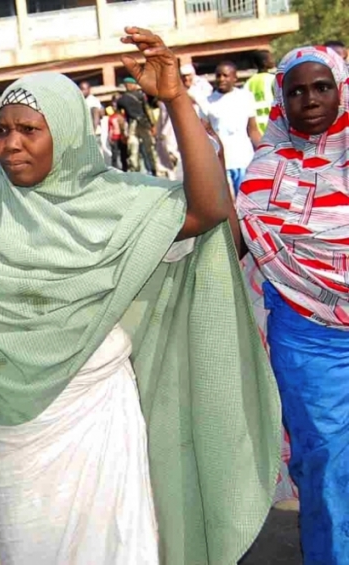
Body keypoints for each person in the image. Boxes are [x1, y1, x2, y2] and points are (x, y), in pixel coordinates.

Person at [0, 28, 281, 565]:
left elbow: (208, 212)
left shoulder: (116, 199)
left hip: (96, 421)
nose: (11, 144)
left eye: (28, 130)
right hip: (14, 436)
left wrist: (177, 99)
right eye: (2, 131)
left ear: (65, 134)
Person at [237, 45, 349, 565]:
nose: (310, 99)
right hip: (308, 338)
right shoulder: (266, 168)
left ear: (341, 88)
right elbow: (233, 241)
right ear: (282, 99)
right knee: (326, 464)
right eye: (297, 90)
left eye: (321, 87)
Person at [206, 61, 262, 195]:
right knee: (228, 204)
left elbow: (252, 130)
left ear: (234, 78)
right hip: (221, 163)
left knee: (247, 201)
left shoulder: (245, 97)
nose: (221, 79)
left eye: (225, 75)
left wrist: (264, 153)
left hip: (244, 159)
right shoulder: (207, 102)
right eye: (218, 75)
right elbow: (205, 134)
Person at [118, 77, 157, 175]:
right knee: (149, 148)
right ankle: (153, 169)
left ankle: (135, 171)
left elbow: (121, 118)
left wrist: (123, 132)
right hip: (143, 123)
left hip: (132, 125)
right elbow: (147, 110)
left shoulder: (121, 99)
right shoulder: (141, 96)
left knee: (133, 149)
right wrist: (152, 125)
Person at [245, 50, 277, 133]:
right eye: (271, 58)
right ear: (264, 62)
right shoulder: (272, 79)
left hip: (257, 128)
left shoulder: (249, 82)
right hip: (274, 125)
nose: (273, 60)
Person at [106, 103, 128, 171]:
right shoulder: (115, 117)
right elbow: (110, 129)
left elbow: (110, 129)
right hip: (118, 138)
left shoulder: (113, 118)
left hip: (119, 138)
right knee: (118, 154)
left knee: (119, 154)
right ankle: (120, 168)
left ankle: (120, 169)